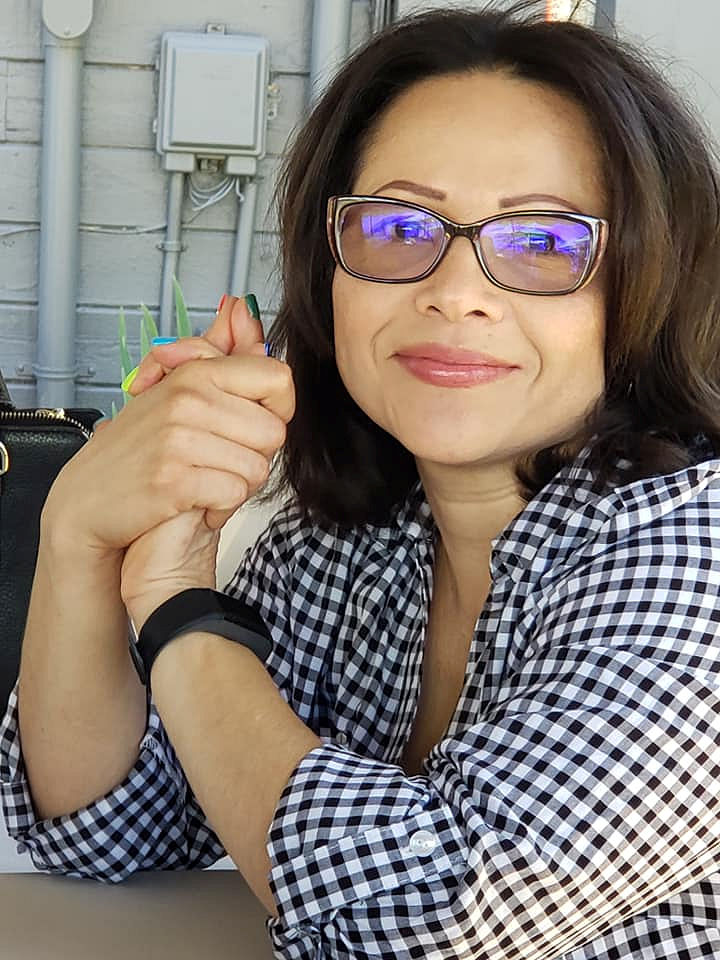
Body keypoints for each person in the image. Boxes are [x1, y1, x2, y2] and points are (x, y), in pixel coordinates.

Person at [3, 2, 720, 957]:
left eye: (544, 241)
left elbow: (417, 926)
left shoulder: (697, 548)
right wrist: (79, 537)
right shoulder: (352, 540)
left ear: (648, 284)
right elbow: (108, 829)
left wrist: (177, 606)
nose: (456, 293)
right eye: (396, 225)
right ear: (329, 268)